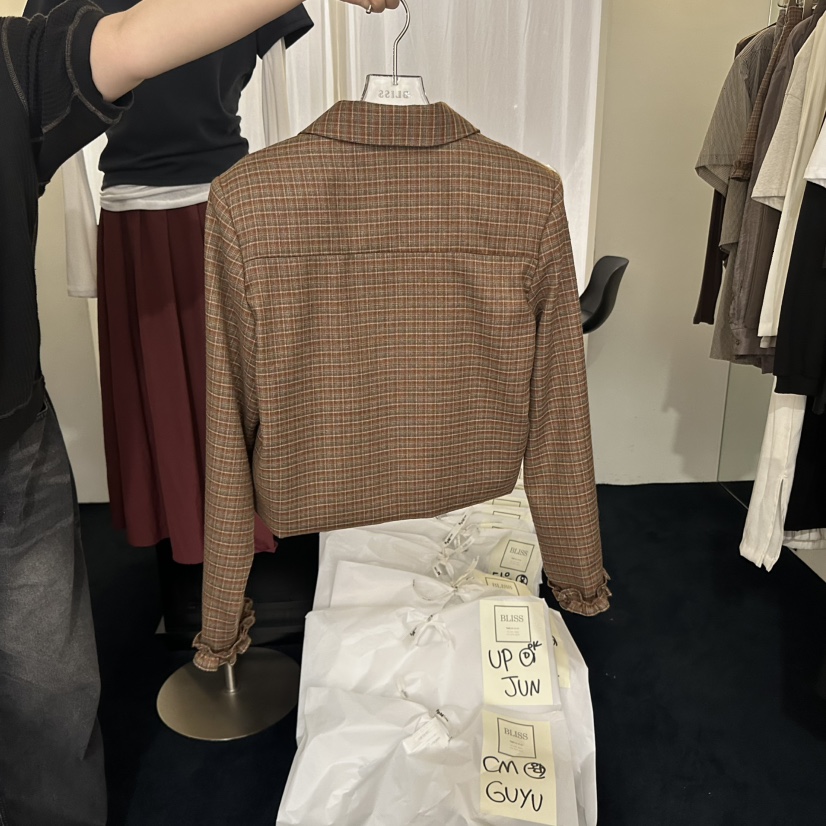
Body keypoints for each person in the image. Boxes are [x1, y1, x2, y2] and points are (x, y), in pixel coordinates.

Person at [0, 2, 398, 824]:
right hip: (134, 222)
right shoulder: (49, 27)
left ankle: (239, 603)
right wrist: (85, 266)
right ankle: (211, 611)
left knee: (244, 416)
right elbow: (61, 157)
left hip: (226, 209)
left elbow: (280, 107)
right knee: (175, 426)